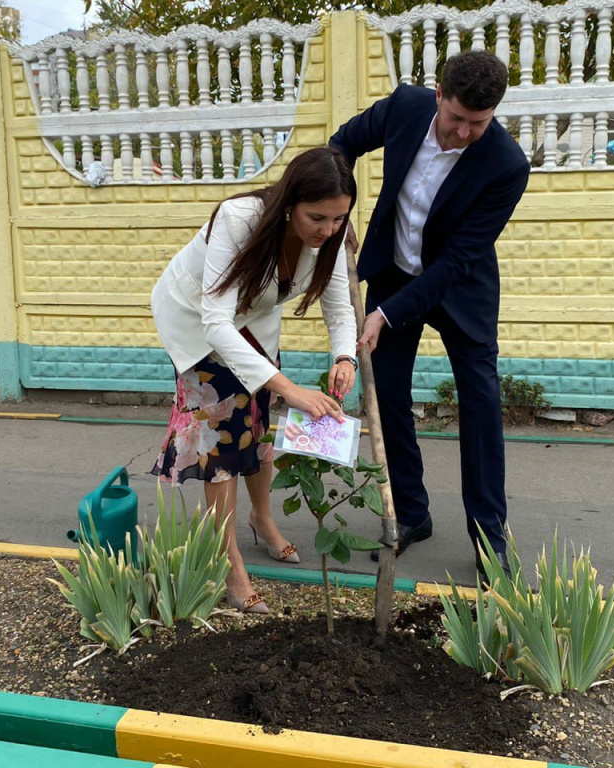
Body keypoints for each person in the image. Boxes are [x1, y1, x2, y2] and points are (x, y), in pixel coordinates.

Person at [329, 51, 530, 580]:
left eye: (478, 124)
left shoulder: (507, 165)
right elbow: (341, 145)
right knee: (388, 395)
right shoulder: (405, 107)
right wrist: (338, 210)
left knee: (481, 405)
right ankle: (412, 514)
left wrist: (386, 315)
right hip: (394, 269)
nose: (464, 133)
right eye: (456, 117)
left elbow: (458, 260)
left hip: (460, 291)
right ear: (438, 95)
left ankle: (489, 541)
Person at [150, 147, 359, 613]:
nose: (328, 230)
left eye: (338, 218)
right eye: (317, 218)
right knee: (222, 441)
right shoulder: (238, 220)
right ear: (289, 204)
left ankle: (262, 520)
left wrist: (344, 358)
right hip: (198, 322)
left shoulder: (331, 236)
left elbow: (340, 308)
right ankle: (229, 561)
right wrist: (289, 387)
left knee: (259, 426)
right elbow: (215, 321)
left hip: (253, 325)